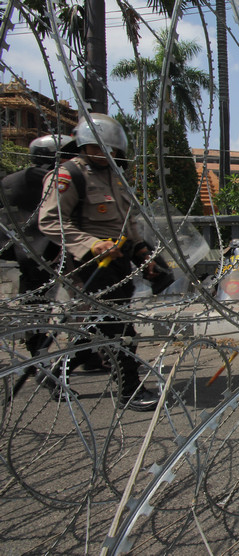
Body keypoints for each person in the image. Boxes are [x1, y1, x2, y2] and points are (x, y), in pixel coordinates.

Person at [38, 113, 161, 411]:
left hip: (118, 261)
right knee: (118, 327)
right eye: (98, 149)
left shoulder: (115, 176)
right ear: (84, 145)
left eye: (112, 151)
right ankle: (130, 389)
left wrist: (142, 253)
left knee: (101, 324)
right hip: (87, 264)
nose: (106, 155)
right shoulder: (68, 175)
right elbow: (49, 221)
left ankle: (57, 369)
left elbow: (126, 222)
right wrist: (91, 244)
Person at [1, 135, 79, 398]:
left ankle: (48, 362)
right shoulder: (51, 179)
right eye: (67, 154)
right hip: (46, 256)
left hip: (33, 256)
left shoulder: (16, 180)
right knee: (45, 309)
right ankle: (45, 367)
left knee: (43, 311)